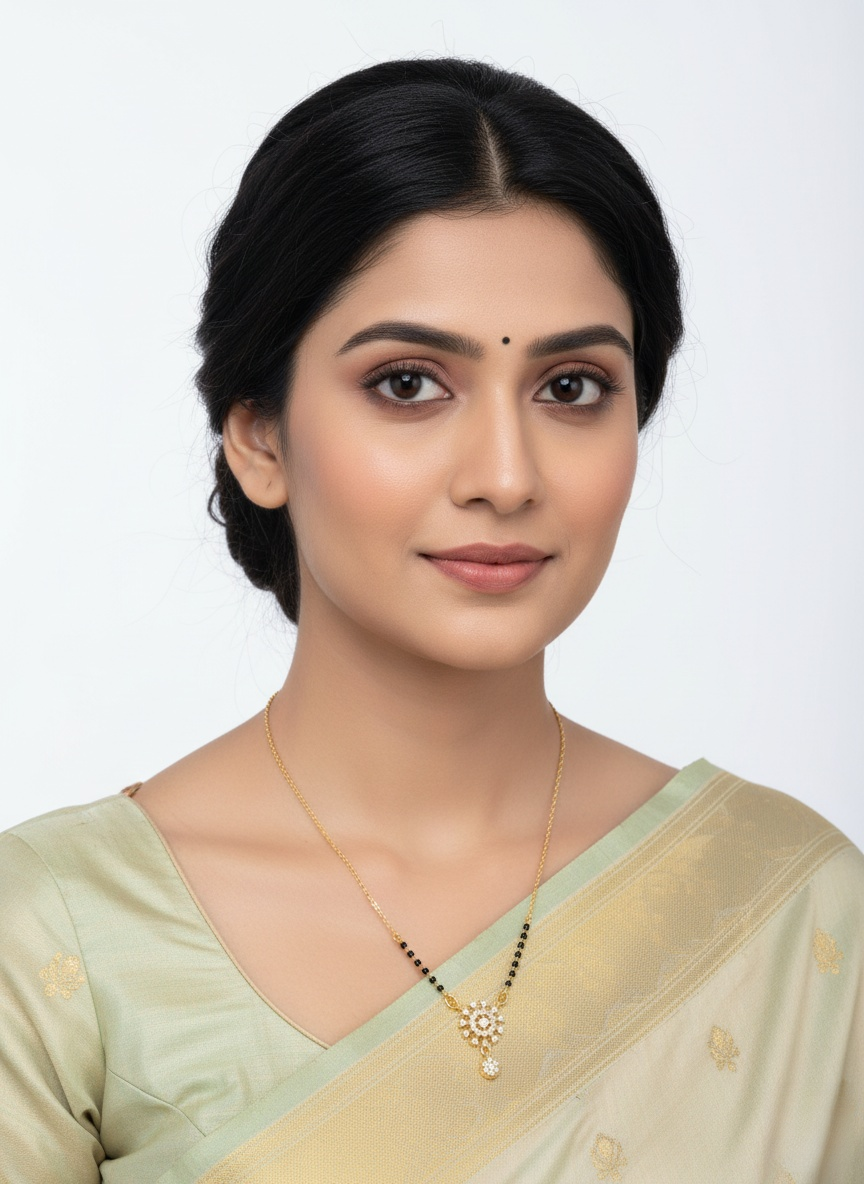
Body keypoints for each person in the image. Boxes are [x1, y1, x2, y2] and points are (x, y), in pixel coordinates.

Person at [1, 57, 861, 1184]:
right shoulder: (56, 933)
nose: (506, 475)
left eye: (572, 388)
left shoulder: (793, 907)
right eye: (409, 383)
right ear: (257, 434)